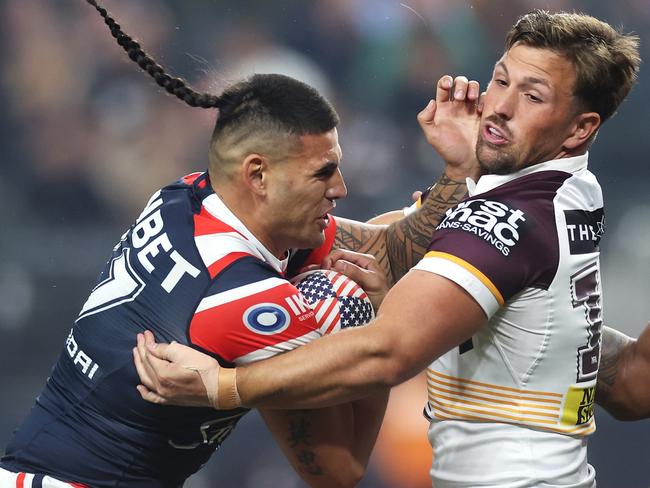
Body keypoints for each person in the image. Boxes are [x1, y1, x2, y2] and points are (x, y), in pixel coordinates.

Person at [133, 10, 644, 487]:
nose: (500, 107)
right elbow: (630, 385)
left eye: (533, 97)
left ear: (581, 128)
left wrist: (224, 388)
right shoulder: (571, 190)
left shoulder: (511, 219)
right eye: (501, 80)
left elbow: (386, 354)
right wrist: (460, 175)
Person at [0, 1, 482, 487]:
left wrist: (459, 174)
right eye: (322, 172)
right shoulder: (250, 303)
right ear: (258, 174)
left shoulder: (187, 196)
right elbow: (338, 472)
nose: (341, 188)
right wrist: (359, 319)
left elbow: (385, 249)